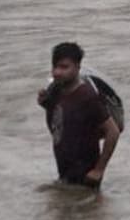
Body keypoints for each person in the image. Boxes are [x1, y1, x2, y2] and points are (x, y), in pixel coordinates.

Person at [36, 42, 121, 187]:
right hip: (64, 173)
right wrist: (46, 104)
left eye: (64, 67)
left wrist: (98, 170)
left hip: (86, 177)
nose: (57, 72)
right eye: (55, 66)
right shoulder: (55, 91)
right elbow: (63, 122)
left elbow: (113, 132)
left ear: (77, 68)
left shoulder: (87, 96)